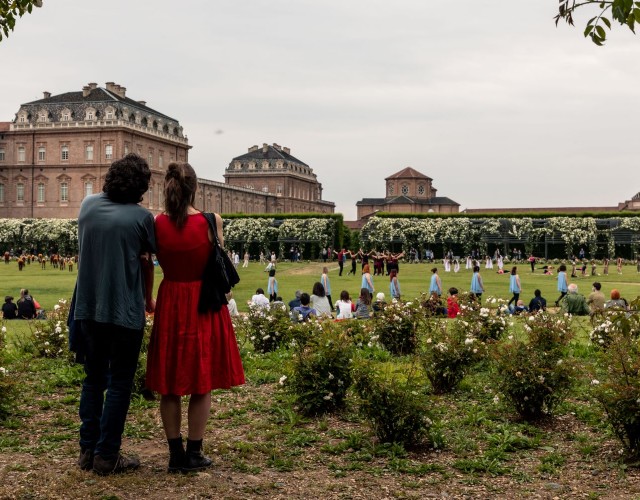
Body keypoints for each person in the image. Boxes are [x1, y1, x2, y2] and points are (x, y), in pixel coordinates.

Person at [145, 162, 245, 474]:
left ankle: (175, 455)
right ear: (195, 189)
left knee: (170, 383)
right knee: (202, 382)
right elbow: (218, 260)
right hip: (204, 302)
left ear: (168, 188)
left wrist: (148, 297)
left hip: (172, 299)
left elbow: (147, 264)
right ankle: (195, 452)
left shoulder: (156, 223)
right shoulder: (211, 220)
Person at [74, 154, 156, 475]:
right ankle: (107, 456)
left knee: (93, 379)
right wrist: (148, 298)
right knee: (120, 382)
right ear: (140, 186)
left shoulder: (87, 205)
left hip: (88, 307)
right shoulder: (141, 218)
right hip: (124, 311)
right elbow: (148, 261)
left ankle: (86, 451)